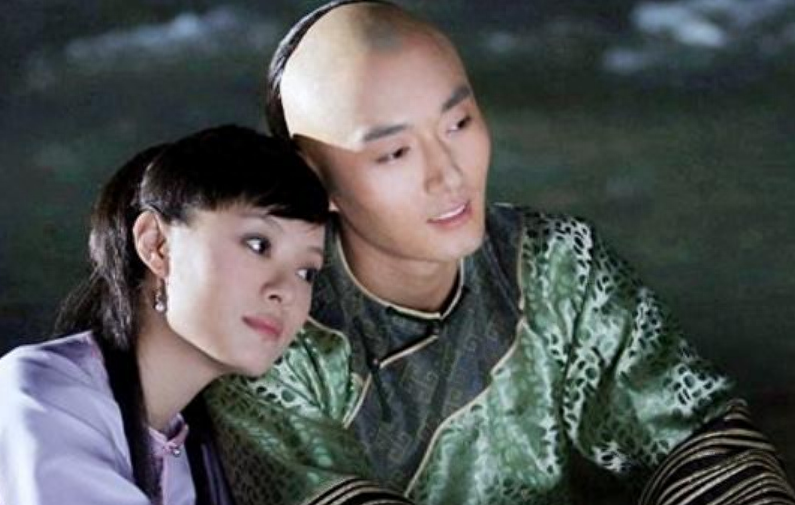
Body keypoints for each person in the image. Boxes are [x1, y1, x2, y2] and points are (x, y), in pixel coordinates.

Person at [201, 2, 795, 505]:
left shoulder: (559, 263)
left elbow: (698, 442)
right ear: (313, 182)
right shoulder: (269, 334)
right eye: (395, 153)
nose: (447, 175)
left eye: (458, 123)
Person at [0, 125, 329, 505]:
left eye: (306, 272)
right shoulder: (43, 402)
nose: (286, 291)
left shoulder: (197, 448)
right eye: (258, 245)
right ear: (157, 245)